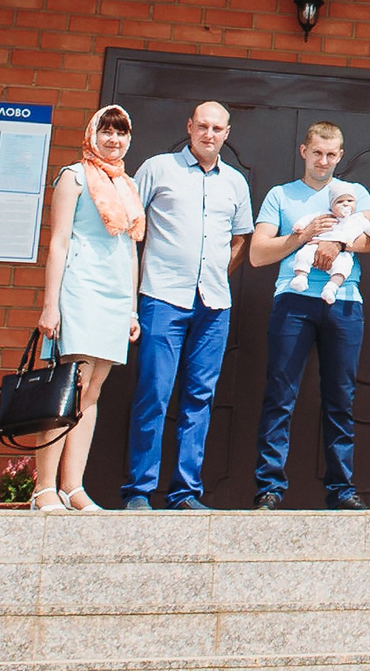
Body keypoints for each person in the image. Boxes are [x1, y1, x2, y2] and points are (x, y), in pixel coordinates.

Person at [250, 122, 370, 511]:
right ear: (303, 151)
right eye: (317, 153)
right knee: (280, 396)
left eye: (330, 155)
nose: (323, 161)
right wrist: (304, 235)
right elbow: (258, 254)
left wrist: (338, 242)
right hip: (293, 301)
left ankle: (342, 489)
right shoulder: (280, 195)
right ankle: (269, 487)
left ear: (340, 156)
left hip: (344, 302)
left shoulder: (354, 192)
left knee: (340, 398)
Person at [123, 100, 253, 510]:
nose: (209, 134)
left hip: (214, 305)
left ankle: (185, 492)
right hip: (163, 298)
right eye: (202, 126)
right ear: (189, 127)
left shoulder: (236, 182)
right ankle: (139, 491)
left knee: (200, 398)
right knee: (154, 394)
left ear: (226, 134)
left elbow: (239, 240)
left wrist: (215, 274)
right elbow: (129, 228)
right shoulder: (158, 169)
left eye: (217, 128)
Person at [30, 105, 143, 512]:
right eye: (107, 132)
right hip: (79, 290)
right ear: (92, 135)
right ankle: (44, 487)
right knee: (68, 388)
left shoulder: (127, 184)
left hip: (115, 296)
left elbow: (130, 248)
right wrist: (51, 306)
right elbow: (59, 242)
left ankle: (72, 487)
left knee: (92, 392)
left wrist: (132, 310)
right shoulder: (73, 176)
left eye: (121, 133)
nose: (114, 140)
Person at [288, 189, 370, 303]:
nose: (345, 204)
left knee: (344, 266)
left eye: (350, 201)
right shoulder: (325, 214)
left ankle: (331, 288)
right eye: (340, 202)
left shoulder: (358, 219)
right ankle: (301, 277)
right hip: (316, 244)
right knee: (303, 255)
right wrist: (300, 225)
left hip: (342, 253)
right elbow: (308, 218)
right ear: (332, 205)